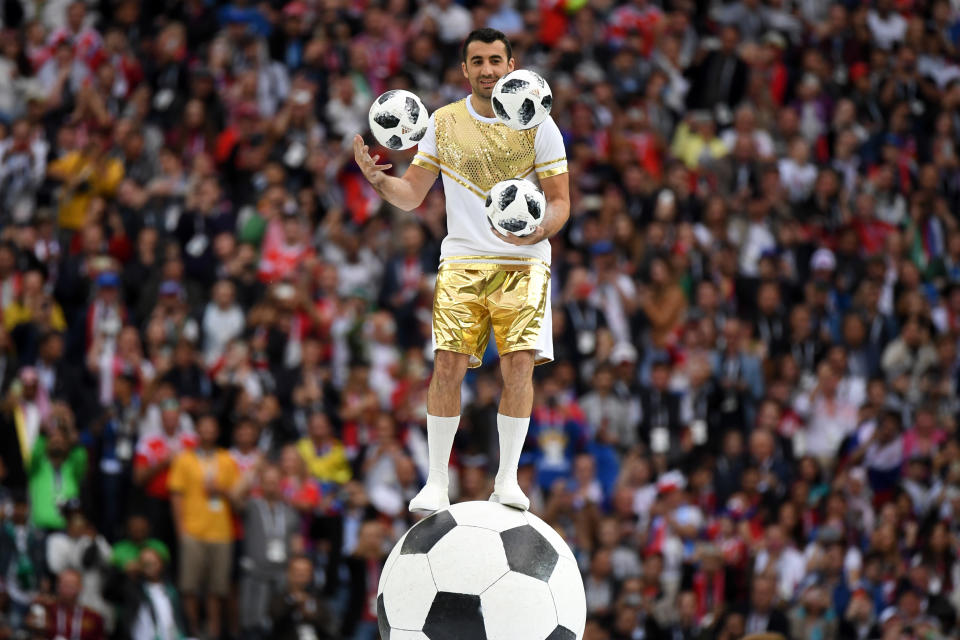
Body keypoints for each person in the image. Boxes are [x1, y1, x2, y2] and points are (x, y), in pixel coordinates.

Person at [353, 27, 570, 512]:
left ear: (511, 66)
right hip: (462, 259)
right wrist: (378, 181)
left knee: (518, 367)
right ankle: (435, 482)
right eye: (478, 61)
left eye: (496, 60)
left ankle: (507, 479)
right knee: (447, 365)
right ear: (464, 69)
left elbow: (560, 204)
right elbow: (412, 195)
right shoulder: (443, 122)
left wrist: (539, 232)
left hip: (524, 260)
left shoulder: (539, 122)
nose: (488, 69)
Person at [167, 414, 239, 640]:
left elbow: (237, 497)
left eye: (212, 427)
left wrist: (222, 490)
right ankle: (192, 632)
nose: (208, 431)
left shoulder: (227, 459)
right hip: (192, 530)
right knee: (189, 587)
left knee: (217, 590)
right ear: (196, 432)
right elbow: (176, 496)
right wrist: (181, 530)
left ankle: (214, 633)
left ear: (217, 432)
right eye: (203, 427)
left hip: (221, 532)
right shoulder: (184, 459)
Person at [268, 555, 336, 640]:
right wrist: (293, 604)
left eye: (305, 571)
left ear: (311, 575)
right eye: (297, 571)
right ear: (288, 573)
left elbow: (332, 629)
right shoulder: (279, 598)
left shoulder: (319, 600)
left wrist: (313, 616)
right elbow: (274, 620)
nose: (301, 575)